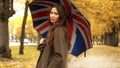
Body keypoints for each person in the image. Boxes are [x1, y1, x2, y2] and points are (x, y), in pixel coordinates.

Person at [36, 4, 71, 68]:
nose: (52, 16)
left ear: (61, 16)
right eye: (51, 13)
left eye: (56, 14)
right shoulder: (53, 29)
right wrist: (43, 43)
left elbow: (59, 57)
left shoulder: (58, 30)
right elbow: (48, 54)